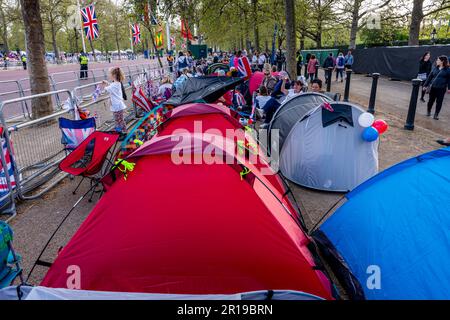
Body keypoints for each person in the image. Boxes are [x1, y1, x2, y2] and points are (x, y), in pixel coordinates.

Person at [102, 67, 127, 140]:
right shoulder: (117, 83)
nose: (109, 76)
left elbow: (107, 89)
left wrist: (104, 85)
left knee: (119, 120)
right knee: (120, 120)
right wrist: (107, 83)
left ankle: (122, 133)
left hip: (117, 106)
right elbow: (111, 86)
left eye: (110, 74)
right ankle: (122, 132)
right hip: (118, 106)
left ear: (114, 75)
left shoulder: (115, 85)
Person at [423, 55, 450, 120]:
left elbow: (449, 80)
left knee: (439, 102)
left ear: (442, 61)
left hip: (441, 89)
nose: (437, 61)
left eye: (438, 60)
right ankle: (428, 111)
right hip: (433, 88)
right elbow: (429, 77)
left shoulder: (448, 70)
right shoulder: (435, 68)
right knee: (431, 101)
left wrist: (449, 88)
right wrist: (425, 85)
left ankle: (436, 114)